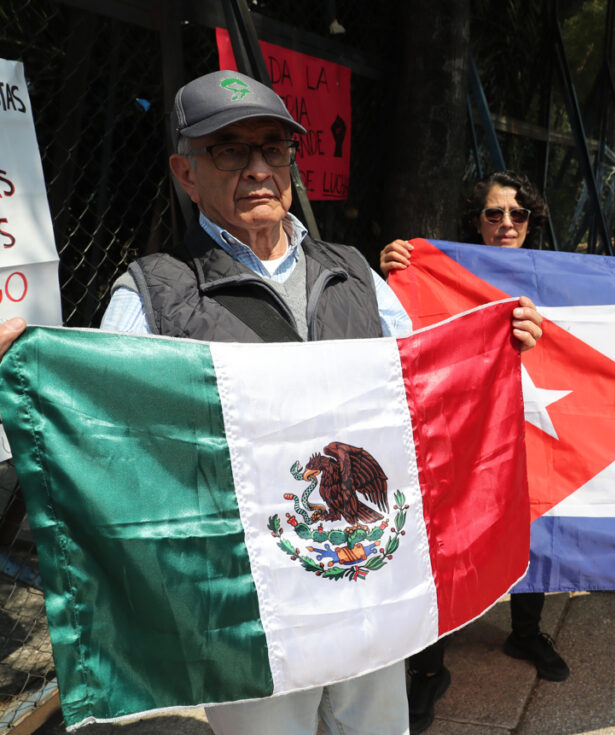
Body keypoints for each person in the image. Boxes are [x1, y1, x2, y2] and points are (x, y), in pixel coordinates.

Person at [1, 71, 543, 735]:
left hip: (364, 571)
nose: (258, 168)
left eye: (273, 149)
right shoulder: (153, 295)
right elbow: (109, 437)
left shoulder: (354, 274)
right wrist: (35, 371)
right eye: (229, 150)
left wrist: (496, 347)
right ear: (186, 171)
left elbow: (425, 392)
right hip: (248, 606)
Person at [380, 170, 567, 735]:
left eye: (519, 214)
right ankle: (430, 666)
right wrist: (392, 270)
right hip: (463, 420)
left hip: (535, 417)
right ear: (475, 221)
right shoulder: (438, 269)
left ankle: (526, 632)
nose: (506, 223)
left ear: (533, 222)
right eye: (493, 213)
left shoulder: (558, 273)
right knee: (448, 526)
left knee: (536, 514)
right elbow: (399, 323)